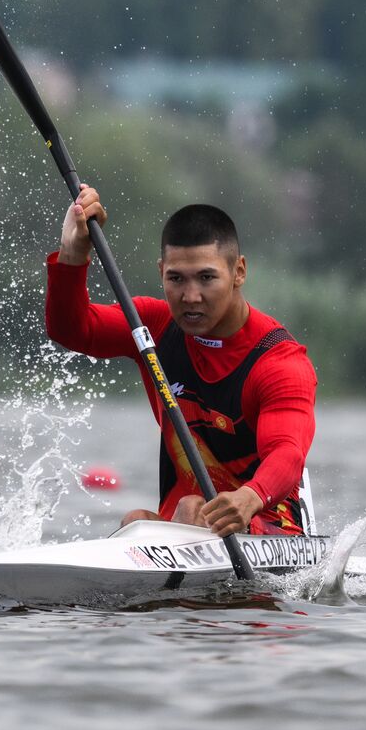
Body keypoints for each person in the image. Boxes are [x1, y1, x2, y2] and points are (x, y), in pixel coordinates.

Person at [45, 184, 317, 538]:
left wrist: (249, 497)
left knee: (190, 508)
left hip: (270, 525)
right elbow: (72, 330)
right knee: (136, 521)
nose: (190, 296)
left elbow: (287, 453)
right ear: (161, 272)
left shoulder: (279, 362)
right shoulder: (152, 327)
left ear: (238, 272)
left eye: (206, 277)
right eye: (176, 279)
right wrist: (73, 252)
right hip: (188, 523)